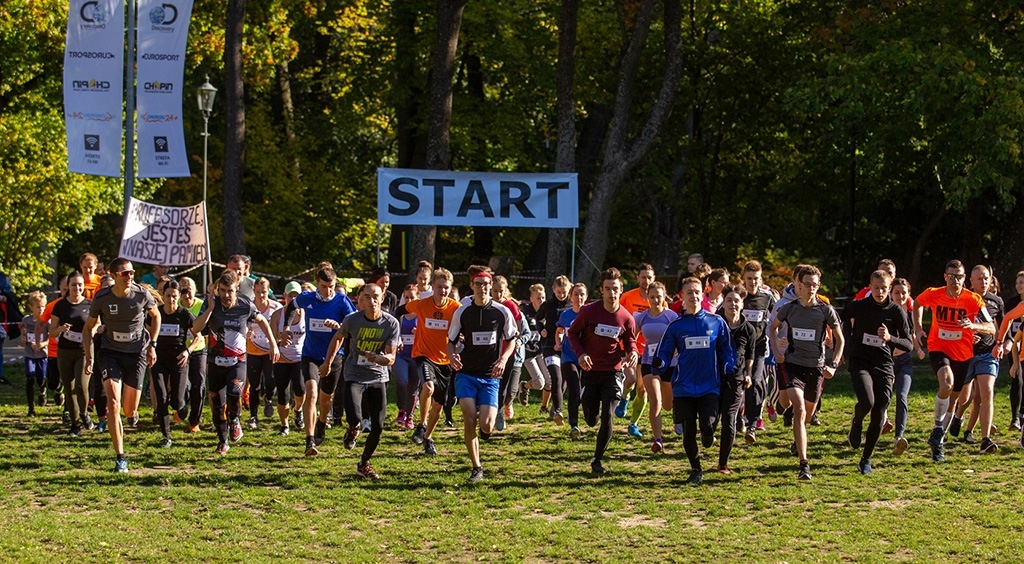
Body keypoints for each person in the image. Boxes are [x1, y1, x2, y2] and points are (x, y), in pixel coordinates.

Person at [83, 258, 161, 473]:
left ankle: (132, 414)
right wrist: (89, 356)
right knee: (114, 402)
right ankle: (121, 457)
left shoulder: (141, 294)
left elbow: (156, 317)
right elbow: (88, 327)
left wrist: (152, 345)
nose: (130, 276)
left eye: (132, 272)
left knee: (128, 409)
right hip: (110, 353)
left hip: (136, 353)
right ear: (115, 275)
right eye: (125, 273)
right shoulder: (102, 297)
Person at [654, 276, 733, 485]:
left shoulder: (716, 322)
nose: (694, 296)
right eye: (689, 292)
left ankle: (708, 436)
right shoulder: (676, 326)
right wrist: (660, 362)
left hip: (710, 385)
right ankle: (695, 469)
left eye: (697, 292)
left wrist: (728, 366)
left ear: (703, 294)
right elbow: (665, 351)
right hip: (684, 387)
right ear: (682, 296)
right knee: (688, 431)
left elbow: (726, 349)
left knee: (708, 426)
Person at [769, 265, 844, 480]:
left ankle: (797, 435)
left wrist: (834, 365)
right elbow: (772, 328)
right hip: (792, 364)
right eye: (807, 284)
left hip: (816, 368)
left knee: (807, 416)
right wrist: (777, 351)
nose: (811, 289)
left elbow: (840, 340)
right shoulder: (789, 308)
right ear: (798, 285)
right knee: (800, 409)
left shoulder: (825, 310)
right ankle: (804, 464)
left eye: (815, 285)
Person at [193, 271, 279, 454]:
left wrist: (273, 344)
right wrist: (208, 309)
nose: (225, 295)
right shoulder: (213, 304)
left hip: (237, 361)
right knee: (217, 404)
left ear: (236, 290)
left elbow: (262, 320)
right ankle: (223, 441)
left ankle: (235, 419)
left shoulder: (245, 305)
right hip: (215, 361)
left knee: (233, 394)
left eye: (229, 291)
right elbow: (196, 328)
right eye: (222, 290)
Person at [445, 268, 518, 482]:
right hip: (466, 373)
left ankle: (484, 431)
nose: (482, 288)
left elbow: (512, 338)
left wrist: (503, 359)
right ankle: (476, 467)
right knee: (469, 418)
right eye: (478, 284)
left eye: (486, 285)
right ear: (472, 286)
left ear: (490, 286)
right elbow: (450, 342)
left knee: (486, 424)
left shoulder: (501, 311)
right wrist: (452, 357)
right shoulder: (462, 311)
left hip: (490, 376)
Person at [915, 260, 992, 462]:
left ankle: (937, 438)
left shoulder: (973, 300)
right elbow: (917, 303)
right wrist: (917, 328)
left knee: (954, 399)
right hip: (939, 348)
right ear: (945, 276)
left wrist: (973, 327)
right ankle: (938, 429)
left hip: (963, 354)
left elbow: (991, 327)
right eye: (951, 276)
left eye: (959, 276)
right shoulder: (934, 293)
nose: (955, 280)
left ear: (964, 278)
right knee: (946, 383)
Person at [322, 283, 400, 479]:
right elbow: (338, 338)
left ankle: (364, 463)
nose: (372, 301)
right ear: (361, 300)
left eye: (376, 297)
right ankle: (352, 428)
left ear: (382, 298)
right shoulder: (352, 320)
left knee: (379, 425)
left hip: (378, 376)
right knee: (354, 416)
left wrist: (379, 359)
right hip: (354, 374)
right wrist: (327, 363)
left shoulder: (391, 323)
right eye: (367, 297)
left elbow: (391, 357)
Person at [565, 267, 639, 475]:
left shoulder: (626, 317)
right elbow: (572, 333)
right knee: (591, 418)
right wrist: (580, 354)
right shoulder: (588, 312)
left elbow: (630, 339)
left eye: (615, 289)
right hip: (590, 371)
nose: (611, 293)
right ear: (601, 290)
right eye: (607, 289)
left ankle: (597, 459)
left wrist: (632, 351)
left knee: (608, 414)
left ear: (621, 290)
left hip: (613, 373)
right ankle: (590, 413)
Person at [841, 270, 913, 474]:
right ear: (870, 287)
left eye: (884, 288)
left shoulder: (896, 311)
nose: (880, 292)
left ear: (889, 288)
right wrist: (847, 345)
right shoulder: (860, 306)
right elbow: (839, 320)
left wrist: (890, 338)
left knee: (880, 411)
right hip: (860, 361)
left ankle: (866, 459)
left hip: (884, 364)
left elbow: (908, 344)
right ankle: (856, 422)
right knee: (867, 402)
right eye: (876, 288)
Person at [394, 268, 460, 456]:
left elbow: (463, 327)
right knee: (428, 387)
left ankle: (428, 437)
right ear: (433, 287)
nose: (443, 291)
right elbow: (398, 312)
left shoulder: (455, 308)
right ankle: (421, 424)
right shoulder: (421, 304)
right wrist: (394, 335)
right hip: (423, 354)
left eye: (446, 287)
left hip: (445, 359)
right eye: (439, 287)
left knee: (439, 404)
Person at [291, 267, 356, 456]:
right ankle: (309, 440)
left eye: (331, 286)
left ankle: (321, 421)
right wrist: (286, 326)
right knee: (311, 393)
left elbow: (354, 326)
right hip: (310, 354)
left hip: (334, 355)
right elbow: (291, 306)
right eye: (323, 286)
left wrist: (340, 327)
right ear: (316, 284)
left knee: (326, 399)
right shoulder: (307, 298)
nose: (328, 291)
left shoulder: (342, 301)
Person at [949, 265, 1002, 452]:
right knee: (965, 397)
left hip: (987, 353)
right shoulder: (962, 299)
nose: (984, 282)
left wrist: (1001, 344)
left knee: (986, 393)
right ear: (970, 280)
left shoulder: (996, 302)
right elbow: (951, 325)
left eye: (986, 278)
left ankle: (985, 439)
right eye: (979, 279)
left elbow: (1000, 327)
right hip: (965, 354)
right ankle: (957, 417)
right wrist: (966, 335)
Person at [45, 271, 94, 434]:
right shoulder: (60, 305)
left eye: (80, 285)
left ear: (83, 286)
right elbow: (51, 332)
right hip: (65, 351)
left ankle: (84, 413)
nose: (77, 288)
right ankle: (75, 424)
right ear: (68, 287)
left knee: (81, 386)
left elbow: (97, 324)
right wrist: (60, 329)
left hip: (83, 351)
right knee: (69, 387)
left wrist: (95, 329)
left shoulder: (90, 304)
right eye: (73, 285)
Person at [633, 281, 678, 452]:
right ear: (647, 298)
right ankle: (657, 439)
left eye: (658, 296)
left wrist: (672, 353)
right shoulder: (642, 317)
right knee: (655, 400)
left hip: (669, 364)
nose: (655, 300)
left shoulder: (671, 317)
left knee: (668, 404)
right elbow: (632, 337)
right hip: (648, 363)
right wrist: (633, 352)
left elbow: (678, 339)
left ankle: (677, 420)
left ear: (663, 296)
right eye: (652, 297)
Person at [151, 281, 197, 447]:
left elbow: (198, 336)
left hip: (179, 360)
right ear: (163, 296)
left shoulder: (184, 315)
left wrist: (188, 351)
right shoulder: (156, 314)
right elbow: (148, 330)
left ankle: (182, 404)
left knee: (176, 402)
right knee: (162, 398)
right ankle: (166, 436)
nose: (171, 299)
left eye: (174, 296)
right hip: (159, 361)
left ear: (179, 297)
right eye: (168, 296)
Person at [717, 284, 754, 473]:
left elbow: (750, 354)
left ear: (742, 304)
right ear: (723, 303)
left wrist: (748, 374)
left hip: (737, 379)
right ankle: (708, 436)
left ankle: (723, 463)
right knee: (711, 419)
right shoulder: (715, 323)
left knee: (729, 421)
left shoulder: (748, 329)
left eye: (736, 301)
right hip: (714, 379)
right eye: (729, 300)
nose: (732, 304)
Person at [739, 260, 777, 443]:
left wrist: (782, 336)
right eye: (749, 279)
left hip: (759, 348)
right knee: (738, 383)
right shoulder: (738, 297)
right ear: (743, 279)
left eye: (756, 279)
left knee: (755, 381)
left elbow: (779, 317)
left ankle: (752, 423)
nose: (753, 282)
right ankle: (738, 416)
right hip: (739, 348)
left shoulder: (767, 297)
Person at [888, 278, 925, 455]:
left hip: (904, 361)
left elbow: (910, 335)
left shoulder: (910, 314)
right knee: (882, 399)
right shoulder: (884, 312)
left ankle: (898, 438)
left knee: (902, 396)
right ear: (890, 293)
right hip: (885, 362)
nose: (901, 296)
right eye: (897, 292)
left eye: (904, 293)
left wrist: (918, 349)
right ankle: (880, 422)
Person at [618, 264, 655, 437]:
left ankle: (633, 424)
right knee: (631, 379)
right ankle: (624, 398)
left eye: (649, 277)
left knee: (642, 389)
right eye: (643, 277)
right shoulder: (627, 297)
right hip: (629, 346)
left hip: (648, 349)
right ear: (637, 278)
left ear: (653, 278)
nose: (646, 280)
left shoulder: (657, 299)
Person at [269, 280, 306, 436]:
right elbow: (271, 337)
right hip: (282, 358)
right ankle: (284, 425)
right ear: (284, 296)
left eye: (296, 296)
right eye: (290, 296)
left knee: (300, 389)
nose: (293, 299)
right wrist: (279, 340)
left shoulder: (306, 314)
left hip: (299, 358)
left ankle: (297, 410)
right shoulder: (278, 315)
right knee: (283, 395)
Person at [246, 277, 282, 429]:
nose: (261, 295)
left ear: (269, 292)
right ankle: (253, 416)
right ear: (254, 291)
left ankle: (268, 398)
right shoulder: (248, 306)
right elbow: (241, 324)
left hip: (270, 350)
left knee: (270, 381)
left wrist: (278, 340)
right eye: (258, 292)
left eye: (264, 292)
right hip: (252, 350)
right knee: (254, 385)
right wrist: (245, 332)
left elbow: (282, 326)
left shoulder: (276, 307)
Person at [554, 282, 589, 439]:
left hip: (586, 358)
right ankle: (574, 424)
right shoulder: (566, 315)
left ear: (586, 297)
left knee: (585, 391)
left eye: (582, 294)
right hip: (568, 357)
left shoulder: (590, 314)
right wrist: (558, 341)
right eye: (576, 294)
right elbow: (559, 330)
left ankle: (583, 415)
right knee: (574, 388)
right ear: (571, 297)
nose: (579, 297)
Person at [536, 276, 572, 420]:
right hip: (549, 346)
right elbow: (537, 319)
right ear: (553, 290)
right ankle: (558, 411)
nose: (562, 295)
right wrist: (541, 329)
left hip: (566, 347)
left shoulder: (572, 305)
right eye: (558, 292)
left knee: (564, 381)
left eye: (564, 292)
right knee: (556, 376)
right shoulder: (547, 305)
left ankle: (554, 407)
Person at [393, 284, 419, 429]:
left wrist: (419, 333)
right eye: (406, 297)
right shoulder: (399, 314)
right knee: (402, 380)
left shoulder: (421, 314)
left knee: (413, 387)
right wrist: (398, 339)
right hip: (401, 355)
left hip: (416, 355)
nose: (409, 301)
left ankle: (409, 415)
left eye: (412, 298)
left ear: (418, 298)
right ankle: (402, 409)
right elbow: (392, 330)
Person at [517, 283, 548, 407]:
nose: (541, 301)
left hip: (541, 350)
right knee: (539, 382)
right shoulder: (525, 312)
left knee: (549, 381)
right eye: (538, 298)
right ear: (531, 299)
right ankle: (524, 386)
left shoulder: (546, 312)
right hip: (528, 351)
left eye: (543, 298)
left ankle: (544, 407)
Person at [21, 291, 49, 417]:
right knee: (30, 377)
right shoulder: (26, 320)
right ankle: (31, 408)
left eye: (43, 306)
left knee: (41, 378)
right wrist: (23, 336)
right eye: (38, 307)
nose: (41, 309)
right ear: (31, 307)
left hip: (42, 354)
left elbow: (51, 339)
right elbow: (24, 330)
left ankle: (43, 391)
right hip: (29, 354)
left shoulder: (47, 322)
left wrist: (41, 344)